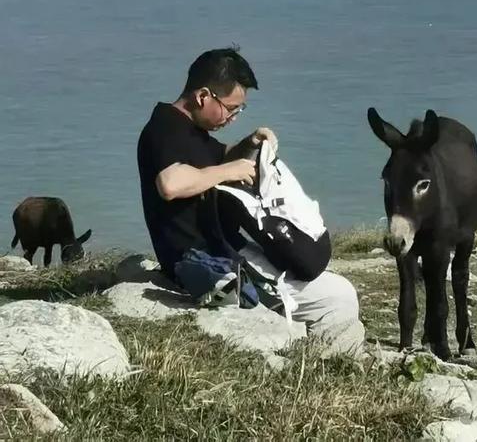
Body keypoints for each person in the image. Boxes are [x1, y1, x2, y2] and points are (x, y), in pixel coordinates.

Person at [136, 46, 364, 350]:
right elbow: (170, 183)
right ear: (203, 96)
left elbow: (217, 158)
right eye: (231, 109)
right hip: (206, 262)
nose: (232, 118)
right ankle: (322, 358)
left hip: (230, 250)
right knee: (338, 295)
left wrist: (251, 142)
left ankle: (314, 347)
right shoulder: (164, 128)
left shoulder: (191, 131)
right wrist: (229, 170)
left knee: (330, 284)